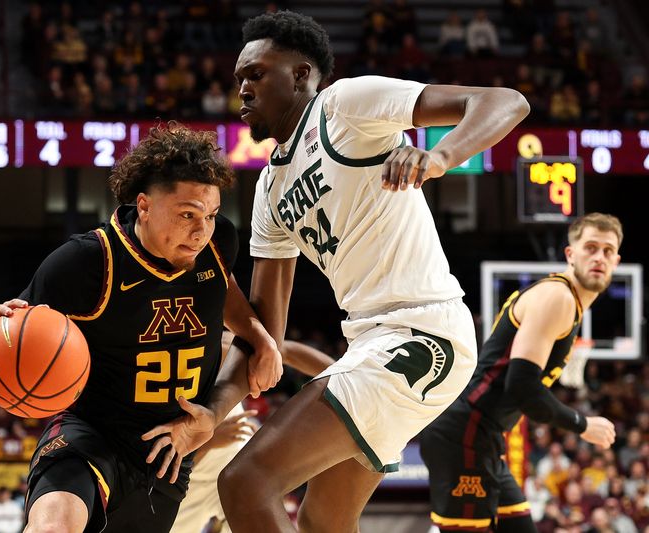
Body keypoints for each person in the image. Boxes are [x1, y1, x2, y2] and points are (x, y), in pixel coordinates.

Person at [141, 10, 530, 533]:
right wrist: (213, 412)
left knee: (244, 482)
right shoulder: (270, 192)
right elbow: (262, 336)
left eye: (255, 74)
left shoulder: (344, 105)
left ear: (301, 74)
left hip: (424, 332)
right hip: (370, 340)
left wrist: (439, 158)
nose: (243, 89)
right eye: (239, 80)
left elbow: (505, 102)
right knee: (323, 520)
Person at [0, 123, 282, 533]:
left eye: (209, 215)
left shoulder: (215, 242)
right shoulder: (86, 261)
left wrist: (259, 335)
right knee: (53, 527)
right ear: (144, 206)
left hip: (166, 456)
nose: (200, 229)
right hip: (91, 434)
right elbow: (18, 329)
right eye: (187, 214)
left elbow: (221, 288)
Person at [420, 213, 621, 533]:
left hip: (483, 436)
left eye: (608, 250)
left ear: (617, 260)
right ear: (571, 254)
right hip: (465, 432)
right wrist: (581, 424)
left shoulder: (568, 303)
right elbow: (522, 387)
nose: (599, 257)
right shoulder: (558, 297)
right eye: (591, 247)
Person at [171, 331, 335, 533]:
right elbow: (164, 462)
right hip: (188, 481)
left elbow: (285, 351)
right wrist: (210, 441)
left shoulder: (222, 347)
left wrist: (342, 374)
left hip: (235, 475)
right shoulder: (163, 371)